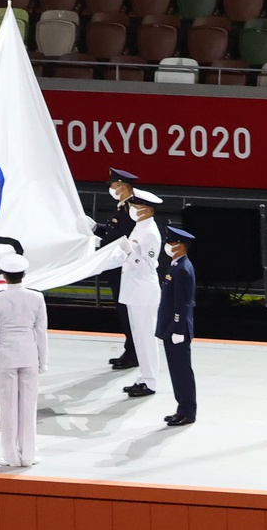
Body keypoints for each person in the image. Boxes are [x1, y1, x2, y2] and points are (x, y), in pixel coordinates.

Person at [0, 254, 48, 467]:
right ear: (24, 275)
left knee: (7, 406)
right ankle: (28, 454)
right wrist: (43, 360)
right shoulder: (36, 297)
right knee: (29, 406)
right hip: (29, 354)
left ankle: (10, 456)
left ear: (3, 275)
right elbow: (41, 331)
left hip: (6, 355)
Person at [93, 167, 139, 370]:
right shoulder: (122, 208)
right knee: (123, 311)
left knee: (127, 311)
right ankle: (130, 349)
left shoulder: (131, 210)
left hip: (124, 269)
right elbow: (113, 230)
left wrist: (100, 242)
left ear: (121, 186)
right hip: (117, 268)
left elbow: (122, 238)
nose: (110, 188)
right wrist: (96, 228)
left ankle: (133, 353)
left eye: (112, 185)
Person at [119, 188, 163, 398]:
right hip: (133, 289)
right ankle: (144, 377)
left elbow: (148, 265)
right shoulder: (140, 227)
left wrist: (129, 252)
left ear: (145, 210)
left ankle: (151, 381)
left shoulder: (150, 232)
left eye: (135, 206)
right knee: (138, 337)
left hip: (143, 291)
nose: (131, 209)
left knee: (146, 338)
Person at [156, 227, 197, 426]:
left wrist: (179, 329)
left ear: (180, 246)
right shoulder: (176, 265)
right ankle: (181, 408)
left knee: (182, 372)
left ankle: (187, 412)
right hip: (171, 328)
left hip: (176, 329)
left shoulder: (182, 269)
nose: (168, 246)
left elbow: (182, 302)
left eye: (171, 243)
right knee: (176, 371)